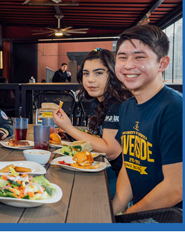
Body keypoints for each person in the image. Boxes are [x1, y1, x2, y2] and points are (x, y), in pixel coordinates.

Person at [112, 25, 182, 214]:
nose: (128, 65)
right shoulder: (127, 107)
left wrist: (127, 217)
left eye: (139, 57)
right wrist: (111, 213)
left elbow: (176, 187)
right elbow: (130, 166)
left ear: (162, 63)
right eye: (122, 57)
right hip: (141, 214)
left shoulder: (176, 108)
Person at [53, 48, 133, 196]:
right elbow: (99, 137)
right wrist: (71, 134)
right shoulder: (99, 100)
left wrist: (70, 128)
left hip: (123, 180)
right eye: (86, 73)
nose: (90, 79)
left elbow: (111, 151)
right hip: (103, 168)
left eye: (98, 73)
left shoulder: (118, 103)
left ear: (113, 74)